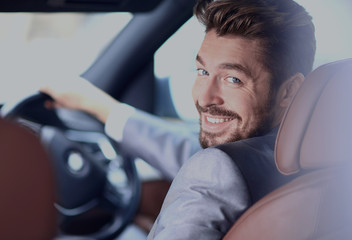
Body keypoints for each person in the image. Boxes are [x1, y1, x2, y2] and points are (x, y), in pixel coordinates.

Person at [41, 0, 315, 238]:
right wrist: (104, 109)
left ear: (289, 91)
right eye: (202, 71)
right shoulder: (310, 157)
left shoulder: (218, 170)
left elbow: (216, 171)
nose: (205, 98)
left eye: (233, 79)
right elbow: (209, 161)